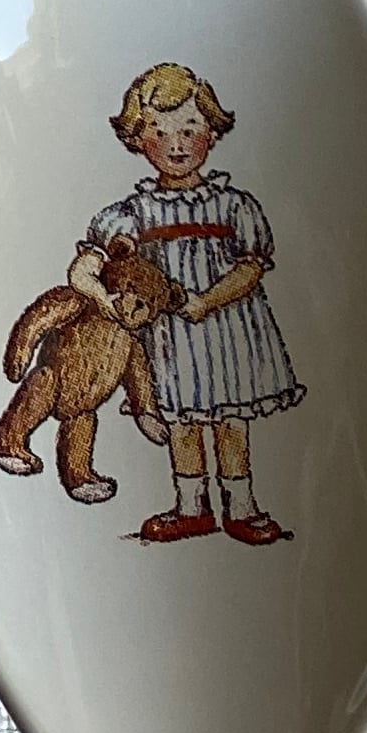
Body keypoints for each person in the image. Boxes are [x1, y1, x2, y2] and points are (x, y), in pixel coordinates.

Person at [71, 61, 300, 546]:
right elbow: (87, 268)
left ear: (211, 133)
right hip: (169, 337)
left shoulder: (234, 206)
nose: (176, 144)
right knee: (181, 421)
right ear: (138, 139)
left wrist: (206, 301)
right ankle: (191, 506)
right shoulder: (134, 213)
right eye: (159, 131)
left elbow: (250, 268)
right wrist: (103, 297)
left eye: (189, 129)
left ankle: (241, 506)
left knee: (230, 418)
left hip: (227, 329)